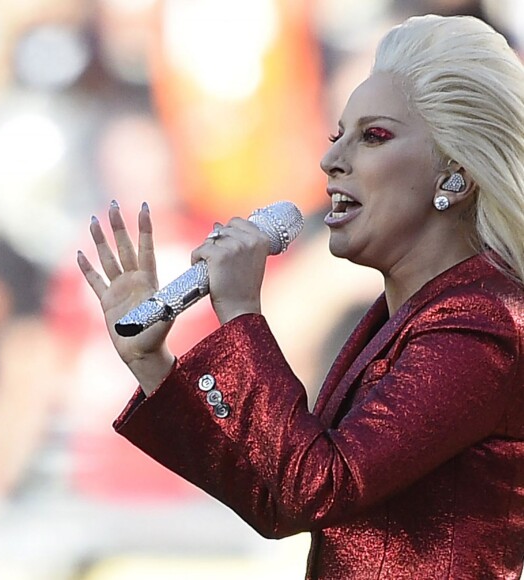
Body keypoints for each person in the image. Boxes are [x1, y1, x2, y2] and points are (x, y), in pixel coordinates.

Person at [77, 14, 524, 580]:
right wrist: (153, 365)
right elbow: (275, 502)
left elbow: (314, 487)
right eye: (337, 135)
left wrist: (241, 315)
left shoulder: (483, 322)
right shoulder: (405, 316)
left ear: (454, 173)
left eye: (374, 136)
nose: (331, 160)